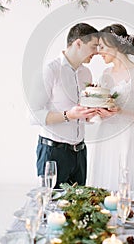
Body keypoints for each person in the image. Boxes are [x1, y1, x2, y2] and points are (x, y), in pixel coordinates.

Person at [87, 23, 134, 218]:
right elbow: (102, 106)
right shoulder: (105, 75)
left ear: (115, 46)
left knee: (127, 194)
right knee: (104, 196)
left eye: (102, 47)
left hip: (127, 140)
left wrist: (121, 111)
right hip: (106, 141)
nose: (98, 52)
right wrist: (94, 111)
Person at [29, 23, 99, 188]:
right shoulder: (49, 71)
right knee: (51, 208)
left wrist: (93, 113)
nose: (97, 52)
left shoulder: (86, 73)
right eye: (93, 47)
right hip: (54, 153)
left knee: (79, 210)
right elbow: (33, 115)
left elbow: (82, 112)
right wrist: (68, 115)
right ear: (78, 43)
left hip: (80, 153)